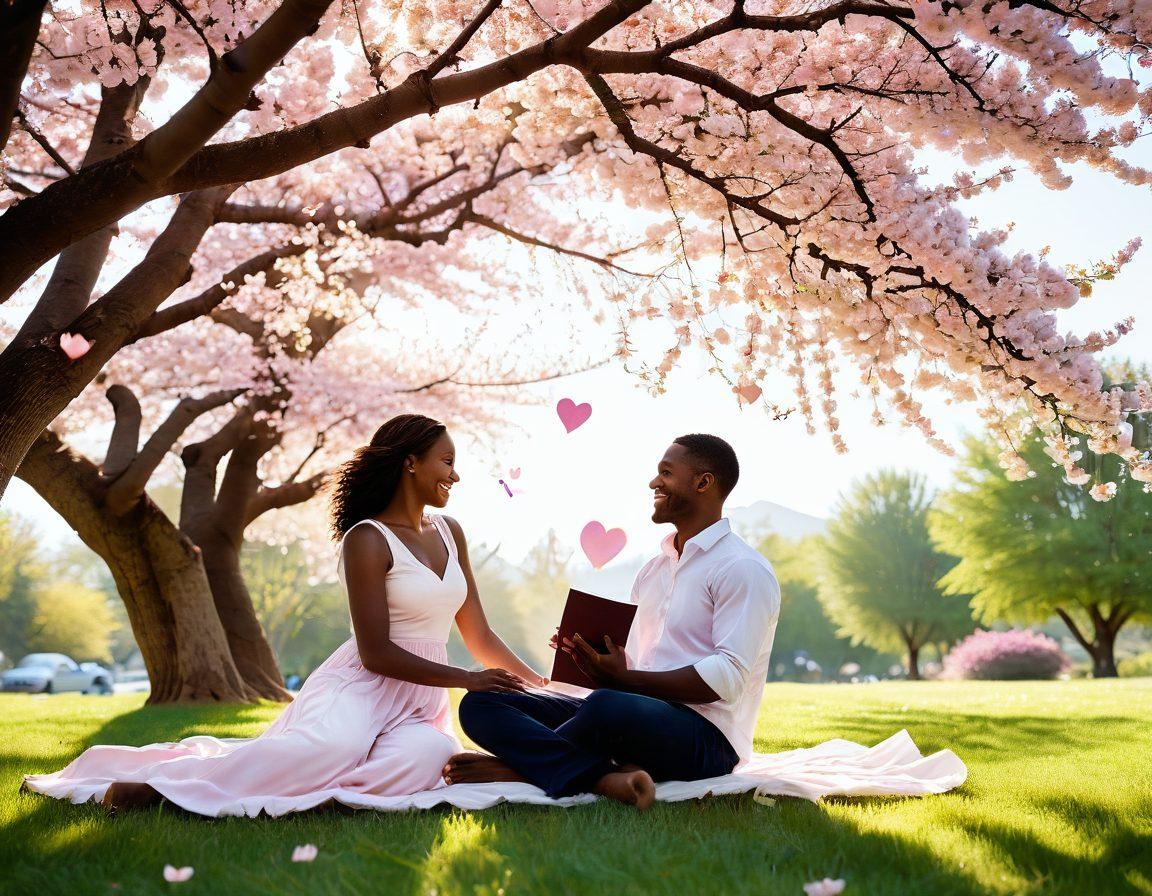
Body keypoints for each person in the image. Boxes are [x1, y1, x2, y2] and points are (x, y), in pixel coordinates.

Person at [22, 414, 547, 817]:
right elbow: (376, 652)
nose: (455, 475)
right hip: (363, 685)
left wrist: (536, 682)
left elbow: (477, 631)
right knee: (328, 749)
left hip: (418, 701)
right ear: (411, 462)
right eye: (446, 461)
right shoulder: (367, 539)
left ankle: (327, 798)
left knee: (427, 757)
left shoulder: (450, 532)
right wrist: (468, 681)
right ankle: (164, 790)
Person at [444, 434, 780, 811]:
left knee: (609, 707)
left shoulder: (743, 569)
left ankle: (517, 767)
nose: (654, 483)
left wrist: (626, 681)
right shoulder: (653, 570)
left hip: (707, 737)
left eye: (666, 473)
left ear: (703, 483)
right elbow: (634, 664)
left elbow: (729, 677)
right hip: (630, 710)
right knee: (484, 700)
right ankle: (587, 771)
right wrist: (591, 658)